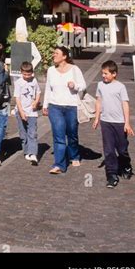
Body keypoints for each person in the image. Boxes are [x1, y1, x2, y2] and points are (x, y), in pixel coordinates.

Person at [43, 46, 86, 174]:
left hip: (71, 106)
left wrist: (75, 85)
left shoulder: (74, 69)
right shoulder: (51, 70)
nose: (53, 55)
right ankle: (59, 165)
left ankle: (74, 155)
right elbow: (48, 89)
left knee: (72, 134)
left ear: (64, 56)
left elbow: (83, 85)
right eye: (53, 53)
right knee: (59, 135)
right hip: (54, 106)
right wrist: (45, 105)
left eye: (56, 53)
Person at [93, 60, 134, 189]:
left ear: (114, 74)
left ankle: (126, 165)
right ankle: (112, 175)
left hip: (120, 122)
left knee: (122, 149)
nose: (103, 76)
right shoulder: (100, 85)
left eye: (106, 73)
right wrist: (97, 118)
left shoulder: (120, 87)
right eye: (102, 73)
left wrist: (127, 123)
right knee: (109, 150)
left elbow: (125, 104)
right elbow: (99, 101)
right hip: (106, 122)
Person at [14, 61, 41, 165]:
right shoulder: (19, 83)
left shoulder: (34, 81)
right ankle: (26, 151)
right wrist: (21, 112)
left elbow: (38, 92)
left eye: (28, 74)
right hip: (21, 111)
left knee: (32, 133)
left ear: (32, 73)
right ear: (21, 72)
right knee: (23, 133)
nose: (27, 76)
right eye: (24, 74)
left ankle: (33, 153)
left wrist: (36, 101)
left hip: (32, 112)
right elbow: (17, 98)